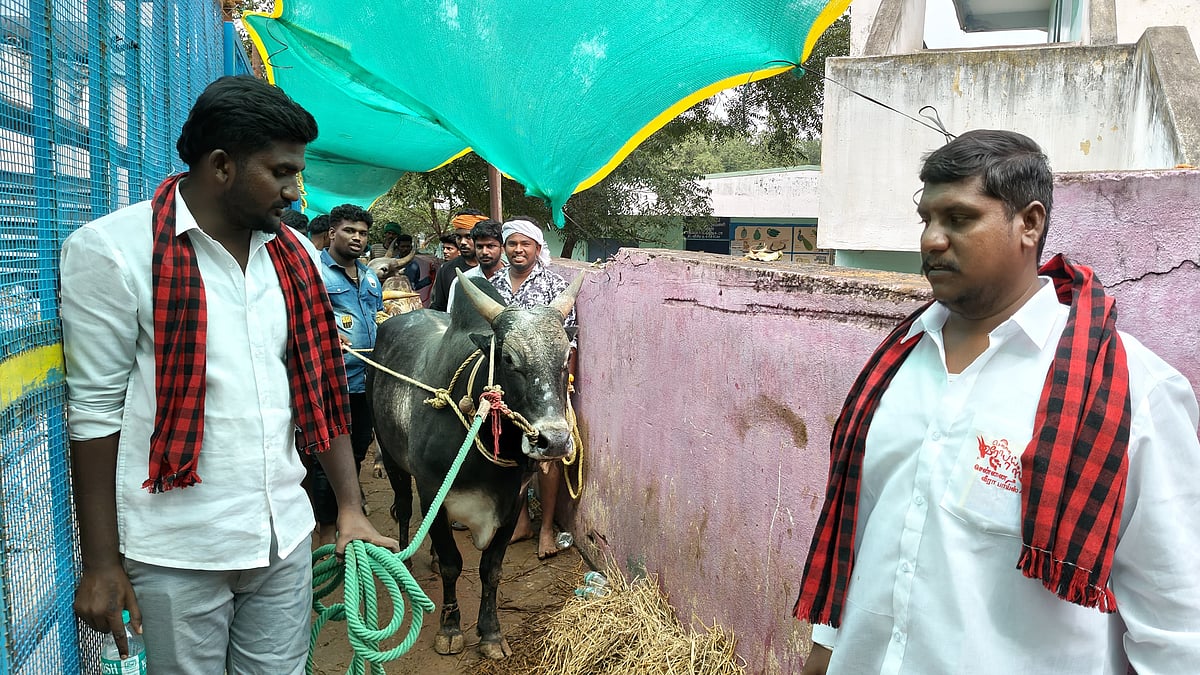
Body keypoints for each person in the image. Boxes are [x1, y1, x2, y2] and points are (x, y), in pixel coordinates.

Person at [794, 130, 1200, 675]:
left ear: (1029, 224)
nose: (932, 240)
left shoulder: (1129, 393)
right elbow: (860, 536)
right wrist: (824, 654)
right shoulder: (895, 366)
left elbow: (1177, 627)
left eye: (959, 219)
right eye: (926, 219)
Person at [59, 75, 398, 675]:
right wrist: (102, 564)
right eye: (281, 172)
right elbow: (93, 412)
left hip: (284, 536)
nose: (296, 191)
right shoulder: (111, 251)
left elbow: (314, 386)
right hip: (176, 549)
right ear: (220, 166)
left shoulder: (291, 257)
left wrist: (349, 505)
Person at [490, 216, 579, 560]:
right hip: (510, 386)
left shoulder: (555, 286)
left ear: (538, 249)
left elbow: (568, 342)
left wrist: (564, 386)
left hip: (546, 387)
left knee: (549, 455)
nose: (518, 250)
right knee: (513, 453)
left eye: (525, 244)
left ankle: (545, 530)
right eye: (512, 243)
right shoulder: (494, 283)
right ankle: (522, 522)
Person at [313, 203, 384, 547]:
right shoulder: (315, 273)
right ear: (331, 233)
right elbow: (303, 320)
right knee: (325, 455)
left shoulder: (369, 276)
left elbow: (377, 314)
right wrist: (325, 336)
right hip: (330, 382)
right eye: (350, 231)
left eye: (363, 233)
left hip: (366, 382)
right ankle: (326, 532)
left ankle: (348, 512)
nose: (357, 238)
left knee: (356, 450)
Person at [428, 209, 486, 311]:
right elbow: (438, 308)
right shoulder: (446, 269)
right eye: (459, 237)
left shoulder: (495, 269)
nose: (463, 242)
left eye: (469, 236)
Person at [446, 218, 504, 312]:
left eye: (490, 246)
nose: (484, 252)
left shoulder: (512, 279)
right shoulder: (462, 282)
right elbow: (451, 317)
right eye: (480, 247)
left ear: (502, 248)